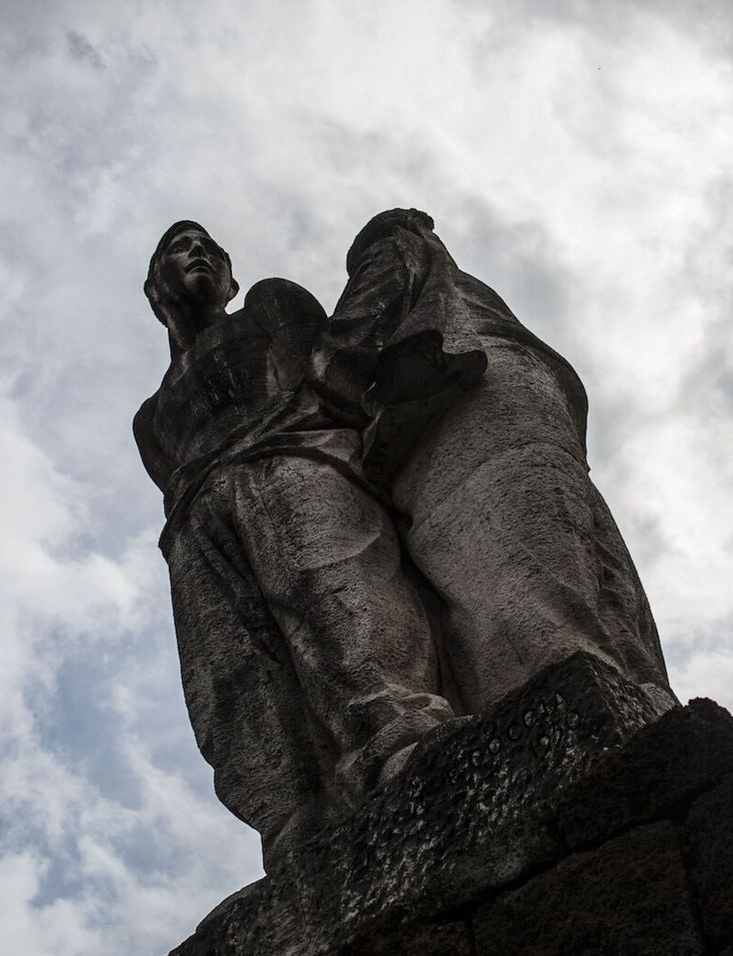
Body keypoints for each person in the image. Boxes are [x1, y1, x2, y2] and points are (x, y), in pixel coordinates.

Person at [134, 221, 453, 863]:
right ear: (154, 290)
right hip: (196, 518)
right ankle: (292, 825)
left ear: (230, 276)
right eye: (179, 246)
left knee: (334, 598)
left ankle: (405, 741)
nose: (196, 252)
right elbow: (169, 473)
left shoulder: (271, 306)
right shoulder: (150, 417)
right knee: (229, 677)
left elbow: (332, 373)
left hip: (292, 456)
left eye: (208, 247)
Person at [314, 208, 677, 715]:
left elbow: (343, 354)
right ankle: (642, 706)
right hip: (526, 394)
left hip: (470, 405)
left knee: (522, 586)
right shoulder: (472, 290)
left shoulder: (396, 253)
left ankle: (570, 717)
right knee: (592, 576)